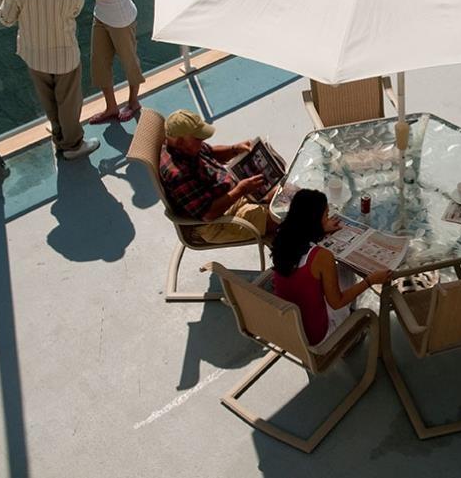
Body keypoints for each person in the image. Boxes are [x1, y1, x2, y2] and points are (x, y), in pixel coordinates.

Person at [0, 0, 100, 160]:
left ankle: (59, 135)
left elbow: (6, 19)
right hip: (65, 55)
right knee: (68, 103)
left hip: (34, 54)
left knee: (48, 100)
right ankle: (72, 145)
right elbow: (75, 12)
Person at [271, 189, 391, 345]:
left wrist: (321, 228)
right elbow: (337, 302)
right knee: (346, 272)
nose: (328, 218)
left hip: (289, 325)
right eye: (326, 215)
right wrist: (370, 280)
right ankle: (349, 336)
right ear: (315, 220)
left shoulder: (283, 236)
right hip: (317, 336)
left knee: (340, 274)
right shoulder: (321, 257)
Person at [159, 110, 278, 244]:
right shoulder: (178, 175)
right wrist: (241, 190)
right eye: (198, 139)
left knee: (285, 194)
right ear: (180, 142)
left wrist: (234, 149)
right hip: (218, 221)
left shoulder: (185, 146)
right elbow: (208, 214)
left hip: (232, 193)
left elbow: (210, 152)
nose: (202, 141)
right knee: (280, 218)